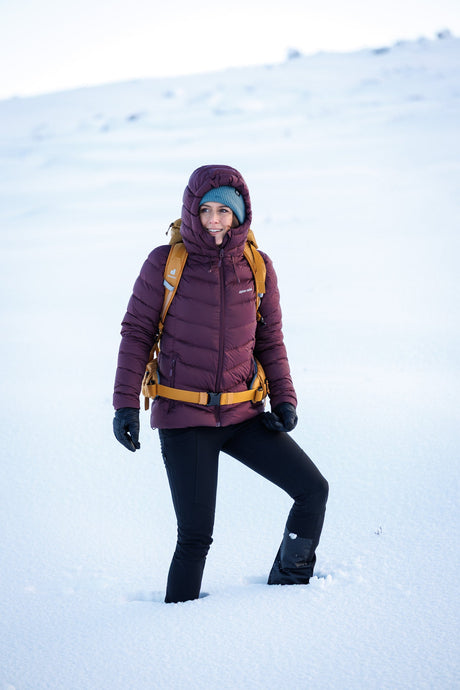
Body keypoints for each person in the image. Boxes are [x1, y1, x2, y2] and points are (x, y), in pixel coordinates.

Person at [113, 164, 328, 603]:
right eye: (205, 210)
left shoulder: (257, 266)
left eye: (224, 211)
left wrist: (284, 399)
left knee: (312, 490)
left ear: (240, 214)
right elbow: (136, 333)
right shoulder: (165, 263)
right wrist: (125, 405)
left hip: (242, 414)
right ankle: (176, 623)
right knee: (195, 537)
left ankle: (290, 594)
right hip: (184, 418)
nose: (214, 220)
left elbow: (270, 339)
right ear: (191, 211)